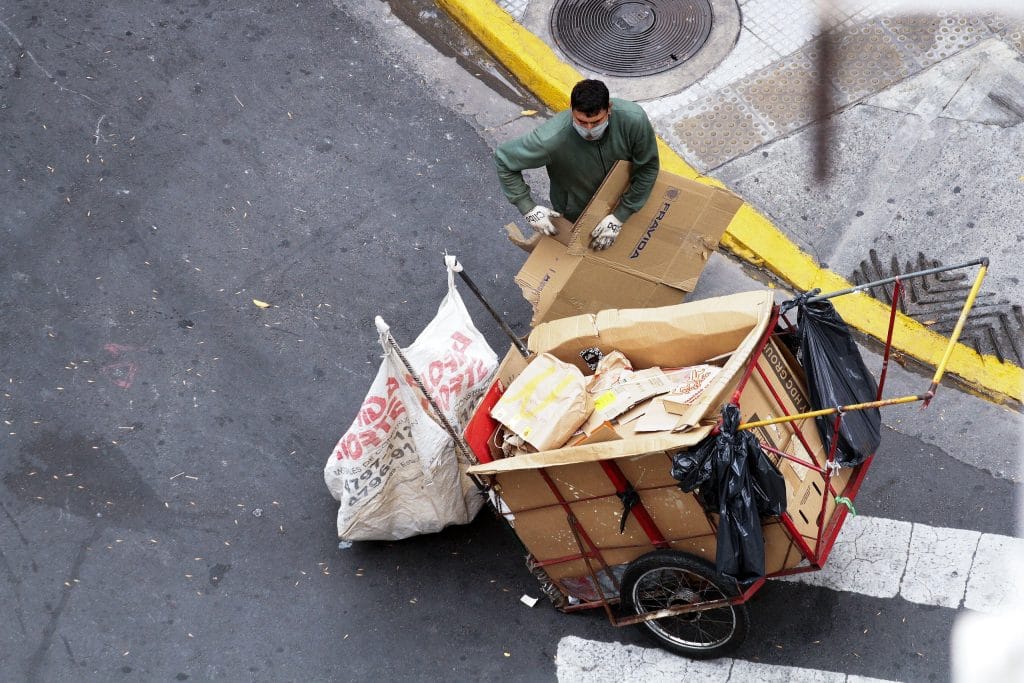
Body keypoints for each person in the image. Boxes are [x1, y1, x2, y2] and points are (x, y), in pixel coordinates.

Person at [494, 79, 659, 251]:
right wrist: (528, 208)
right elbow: (504, 160)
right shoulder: (550, 140)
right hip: (577, 212)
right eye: (581, 121)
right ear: (571, 107)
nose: (588, 130)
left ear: (609, 108)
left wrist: (619, 216)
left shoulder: (633, 121)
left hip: (630, 198)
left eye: (596, 122)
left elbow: (647, 168)